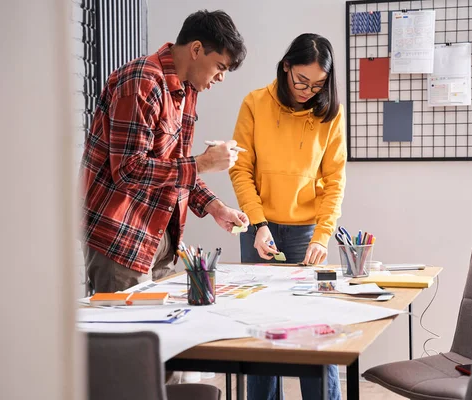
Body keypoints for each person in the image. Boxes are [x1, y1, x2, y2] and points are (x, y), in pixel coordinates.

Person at [80, 9, 249, 294]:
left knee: (163, 336)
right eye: (220, 66)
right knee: (128, 337)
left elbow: (172, 166)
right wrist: (204, 163)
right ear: (196, 49)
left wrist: (214, 207)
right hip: (122, 240)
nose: (221, 78)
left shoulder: (186, 90)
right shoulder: (142, 81)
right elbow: (129, 170)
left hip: (159, 240)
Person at [229, 33, 346, 400]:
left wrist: (322, 235)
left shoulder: (329, 114)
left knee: (312, 334)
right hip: (259, 231)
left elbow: (334, 181)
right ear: (286, 67)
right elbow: (240, 170)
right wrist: (258, 224)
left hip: (306, 234)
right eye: (301, 81)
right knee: (264, 333)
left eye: (319, 84)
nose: (308, 90)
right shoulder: (254, 104)